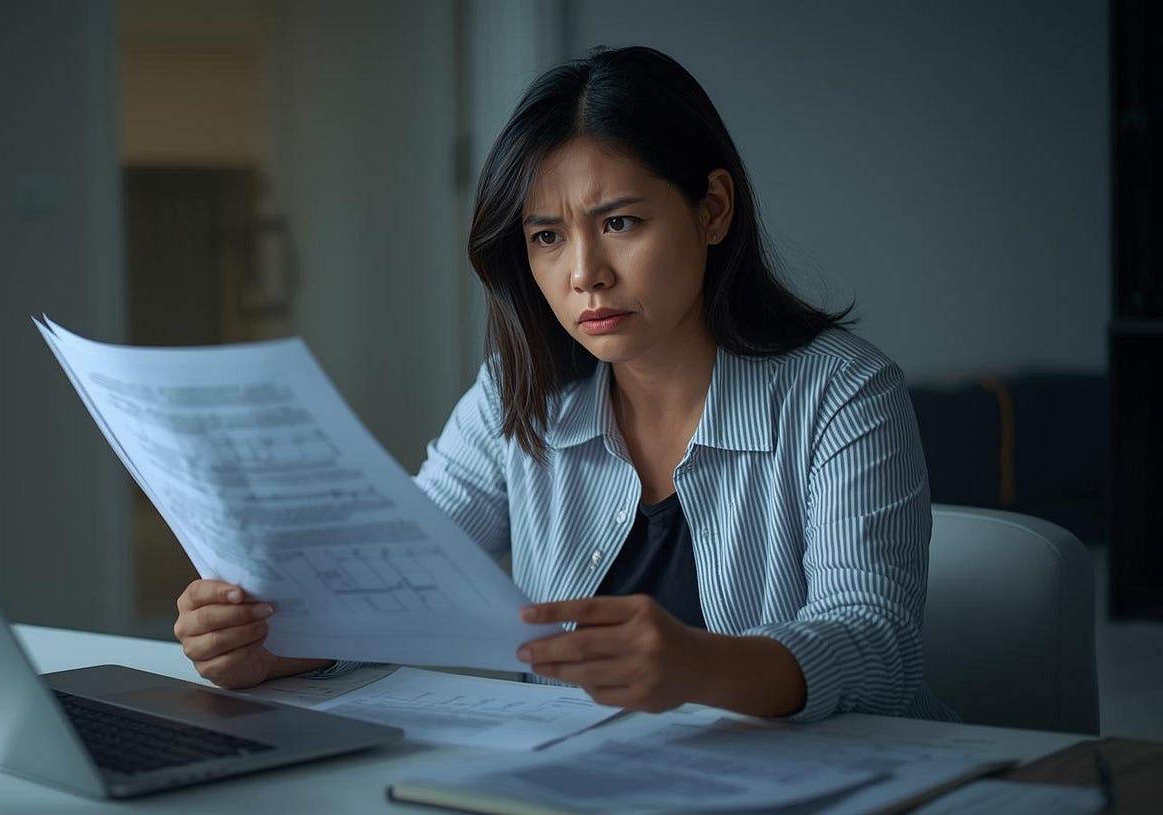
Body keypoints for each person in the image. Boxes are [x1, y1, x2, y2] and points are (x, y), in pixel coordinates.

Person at [173, 45, 957, 722]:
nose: (585, 274)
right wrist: (270, 652)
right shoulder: (518, 395)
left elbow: (875, 645)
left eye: (620, 223)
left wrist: (700, 665)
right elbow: (396, 587)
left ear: (712, 209)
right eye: (547, 237)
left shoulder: (844, 392)